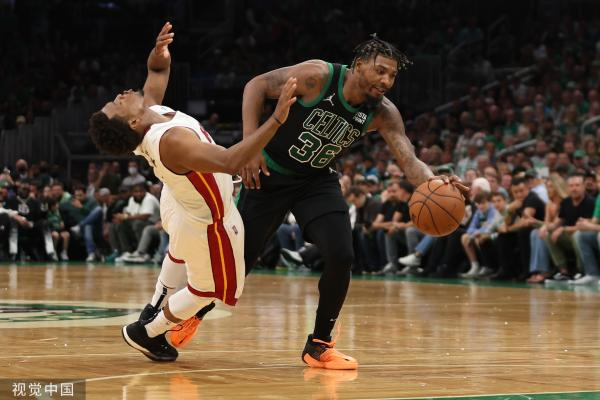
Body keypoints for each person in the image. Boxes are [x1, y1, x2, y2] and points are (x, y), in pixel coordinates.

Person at [236, 35, 467, 369]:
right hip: (270, 172)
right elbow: (256, 86)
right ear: (358, 66)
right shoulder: (318, 77)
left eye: (392, 76)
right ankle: (180, 318)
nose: (386, 81)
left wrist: (434, 182)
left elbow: (409, 159)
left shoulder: (383, 112)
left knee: (341, 254)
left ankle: (319, 344)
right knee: (236, 264)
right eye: (380, 71)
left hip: (315, 180)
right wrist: (250, 146)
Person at [88, 22, 298, 362]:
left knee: (179, 252)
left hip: (178, 201)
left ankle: (154, 305)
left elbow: (157, 72)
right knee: (210, 290)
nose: (120, 95)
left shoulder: (150, 113)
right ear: (132, 123)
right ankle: (147, 332)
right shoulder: (171, 142)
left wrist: (159, 52)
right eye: (117, 104)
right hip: (208, 219)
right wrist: (275, 119)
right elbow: (231, 161)